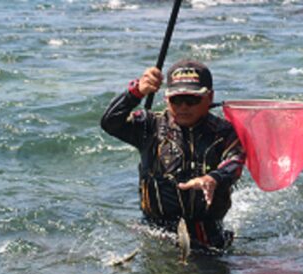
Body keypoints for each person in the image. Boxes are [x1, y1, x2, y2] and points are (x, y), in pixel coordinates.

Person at [100, 59, 245, 250]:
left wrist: (213, 178)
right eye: (176, 99)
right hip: (155, 231)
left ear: (209, 98)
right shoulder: (148, 126)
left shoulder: (223, 132)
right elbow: (110, 122)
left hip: (207, 233)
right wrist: (136, 92)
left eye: (192, 100)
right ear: (166, 99)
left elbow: (236, 160)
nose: (183, 107)